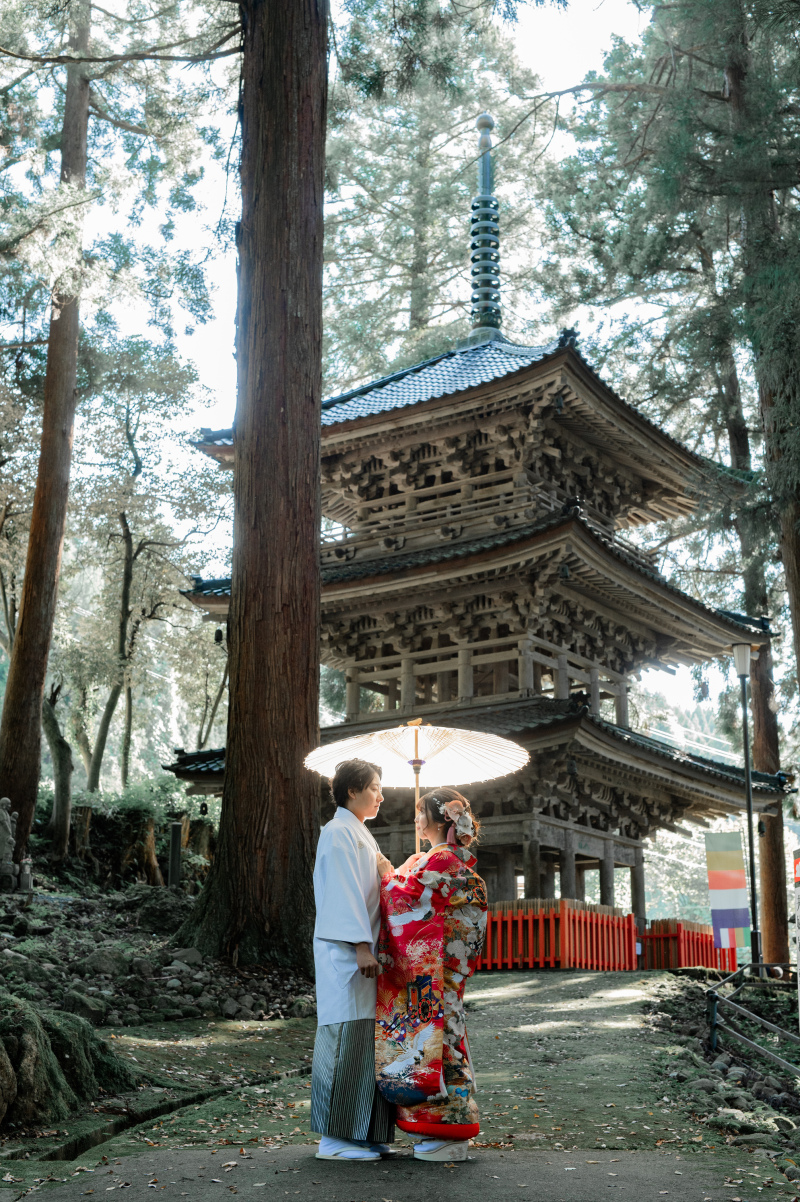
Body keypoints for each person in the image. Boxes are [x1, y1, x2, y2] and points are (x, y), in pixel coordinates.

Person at [375, 787, 487, 1162]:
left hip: (434, 969)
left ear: (439, 819)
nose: (414, 820)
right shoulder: (446, 860)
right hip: (447, 973)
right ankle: (451, 1127)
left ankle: (444, 1129)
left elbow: (407, 902)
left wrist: (387, 875)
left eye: (419, 812)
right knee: (449, 1037)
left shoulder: (441, 860)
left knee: (435, 1042)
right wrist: (410, 869)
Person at [310, 758, 395, 1162]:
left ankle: (361, 1135)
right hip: (347, 956)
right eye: (374, 787)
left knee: (363, 1045)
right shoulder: (338, 832)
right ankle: (334, 1138)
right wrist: (361, 945)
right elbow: (342, 895)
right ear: (351, 790)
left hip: (365, 954)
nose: (380, 795)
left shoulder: (358, 832)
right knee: (345, 1041)